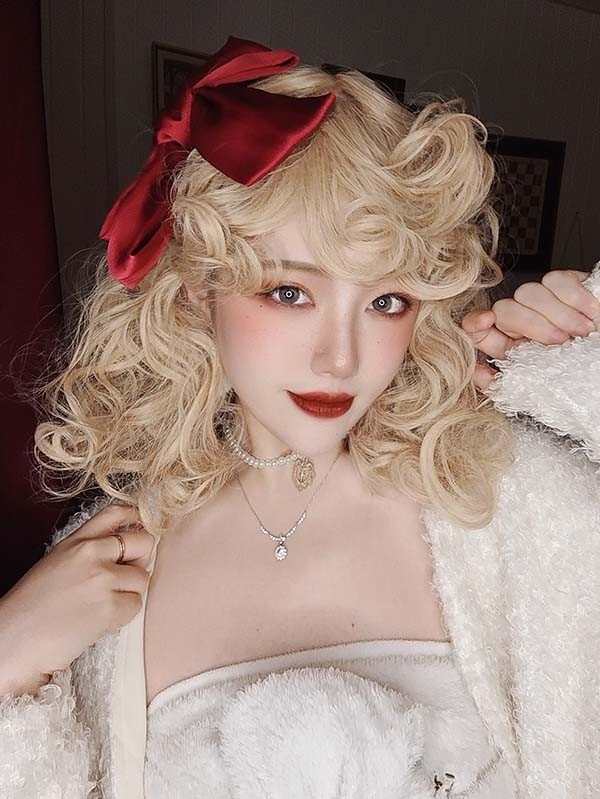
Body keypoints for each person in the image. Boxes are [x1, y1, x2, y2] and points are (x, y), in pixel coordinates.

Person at [0, 35, 599, 798]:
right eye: (290, 292)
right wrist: (8, 659)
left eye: (387, 301)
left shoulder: (508, 499)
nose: (340, 358)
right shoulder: (105, 568)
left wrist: (583, 384)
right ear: (199, 289)